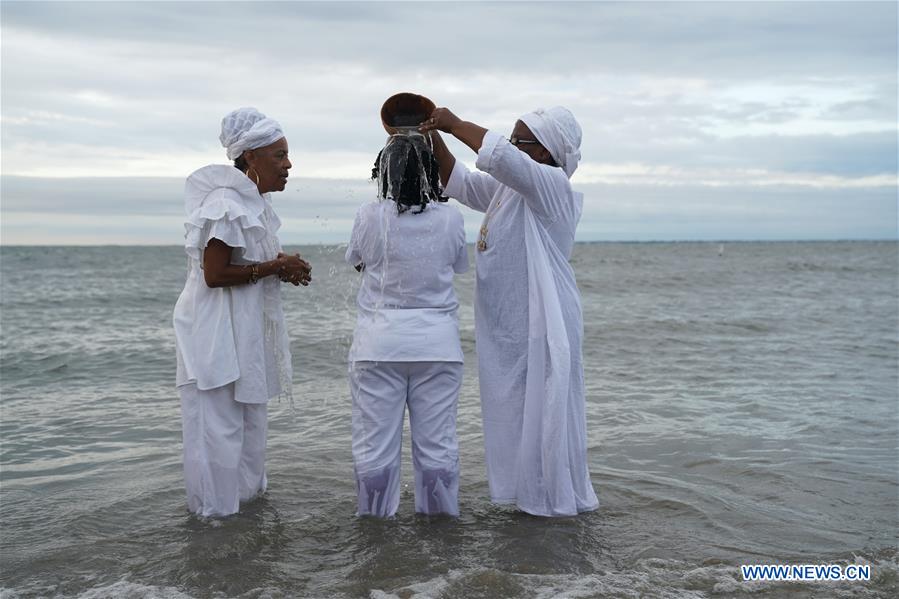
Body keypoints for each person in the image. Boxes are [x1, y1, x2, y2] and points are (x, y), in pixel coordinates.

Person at [420, 105, 599, 517]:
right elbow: (459, 181)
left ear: (544, 154)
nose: (512, 144)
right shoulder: (509, 191)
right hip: (511, 328)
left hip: (543, 321)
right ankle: (528, 501)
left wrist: (454, 122)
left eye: (521, 140)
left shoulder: (553, 186)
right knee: (516, 414)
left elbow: (498, 153)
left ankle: (554, 504)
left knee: (546, 412)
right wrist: (430, 132)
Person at [173, 107, 311, 518]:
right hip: (213, 335)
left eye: (287, 156)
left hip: (243, 333)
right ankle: (214, 530)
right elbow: (214, 274)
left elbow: (247, 262)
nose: (288, 165)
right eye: (279, 155)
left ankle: (247, 533)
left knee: (250, 434)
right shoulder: (224, 202)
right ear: (250, 157)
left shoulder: (256, 205)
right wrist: (273, 267)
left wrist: (281, 266)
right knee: (217, 436)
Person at [346, 132, 469, 517]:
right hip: (438, 346)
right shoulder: (451, 217)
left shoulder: (369, 215)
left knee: (374, 450)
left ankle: (375, 533)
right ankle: (440, 537)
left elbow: (358, 261)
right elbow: (456, 264)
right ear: (431, 172)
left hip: (378, 346)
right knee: (437, 449)